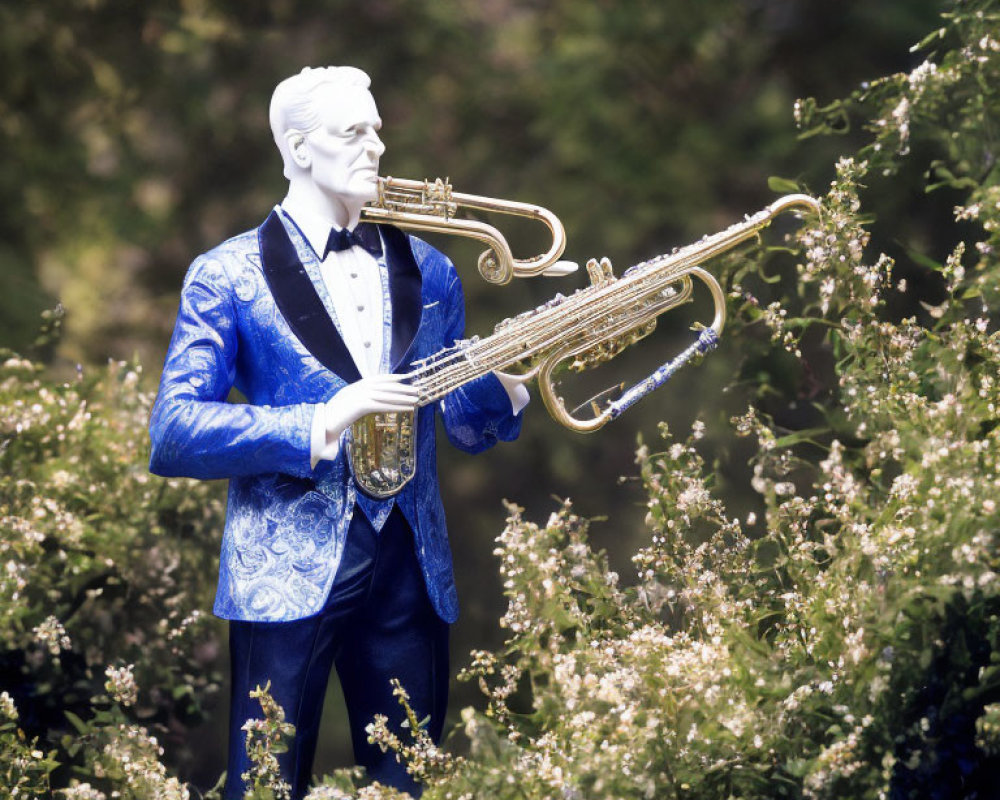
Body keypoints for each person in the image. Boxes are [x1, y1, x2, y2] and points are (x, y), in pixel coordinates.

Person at [148, 66, 527, 798]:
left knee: (412, 783)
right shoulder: (225, 274)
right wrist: (322, 419)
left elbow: (464, 423)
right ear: (297, 148)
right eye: (353, 132)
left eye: (378, 128)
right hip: (282, 569)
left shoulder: (433, 269)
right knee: (264, 784)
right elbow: (174, 430)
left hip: (411, 569)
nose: (377, 147)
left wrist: (514, 381)